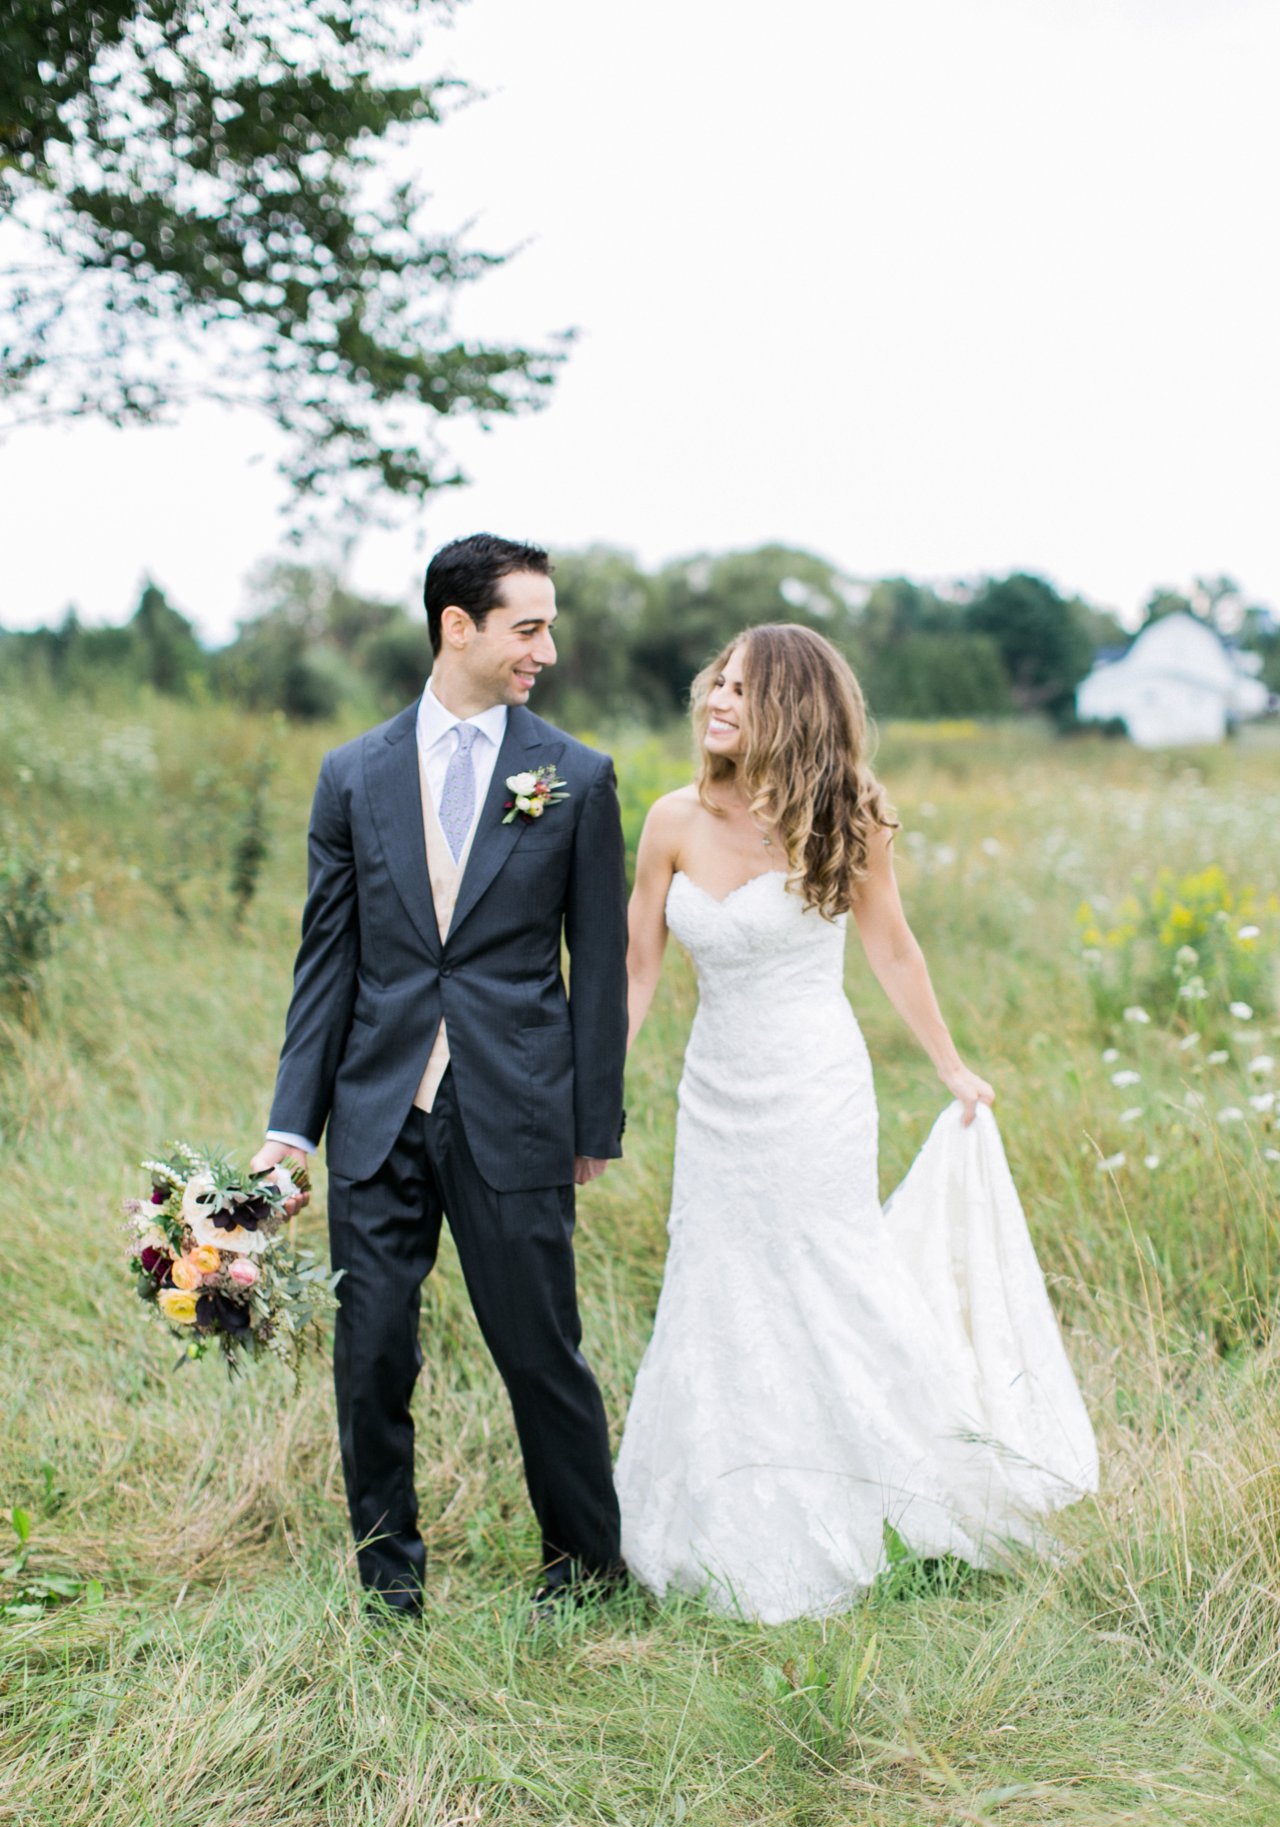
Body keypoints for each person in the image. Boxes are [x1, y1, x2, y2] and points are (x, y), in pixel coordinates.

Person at [616, 623, 1097, 1623]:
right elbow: (636, 970)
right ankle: (722, 1500)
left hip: (814, 1089)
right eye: (717, 682)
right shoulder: (669, 819)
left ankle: (884, 1481)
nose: (716, 699)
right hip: (715, 1092)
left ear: (787, 709)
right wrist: (596, 1093)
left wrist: (952, 1067)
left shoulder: (847, 817)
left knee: (824, 1271)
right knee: (714, 1274)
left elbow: (893, 952)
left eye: (741, 690)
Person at [252, 533, 629, 1618]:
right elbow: (327, 960)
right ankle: (388, 1579)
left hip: (513, 1108)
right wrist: (292, 1126)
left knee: (537, 1350)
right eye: (527, 626)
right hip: (376, 1109)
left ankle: (586, 1570)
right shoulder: (352, 775)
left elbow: (595, 971)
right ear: (456, 626)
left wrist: (588, 1121)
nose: (544, 649)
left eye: (548, 626)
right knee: (369, 1355)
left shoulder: (576, 777)